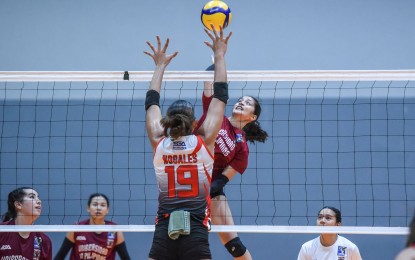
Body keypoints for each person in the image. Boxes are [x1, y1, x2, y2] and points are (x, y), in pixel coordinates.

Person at [144, 25, 231, 260]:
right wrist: (220, 55)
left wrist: (160, 65)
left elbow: (151, 102)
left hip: (164, 227)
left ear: (166, 123)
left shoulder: (158, 142)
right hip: (196, 230)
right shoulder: (204, 140)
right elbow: (220, 95)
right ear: (194, 123)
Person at [192, 65, 268, 260]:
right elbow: (208, 81)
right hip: (189, 181)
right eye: (241, 100)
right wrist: (217, 61)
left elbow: (222, 180)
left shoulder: (242, 147)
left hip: (212, 189)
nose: (242, 102)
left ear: (253, 117)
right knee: (185, 241)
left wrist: (205, 195)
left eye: (248, 103)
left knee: (234, 244)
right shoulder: (214, 114)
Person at [54, 193, 131, 260]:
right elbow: (60, 256)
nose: (98, 208)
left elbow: (126, 258)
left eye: (102, 205)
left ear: (107, 210)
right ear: (88, 208)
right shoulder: (77, 228)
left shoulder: (114, 230)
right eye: (95, 204)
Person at [0, 186, 52, 259]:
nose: (39, 201)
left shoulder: (44, 241)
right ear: (18, 205)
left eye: (38, 197)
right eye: (32, 197)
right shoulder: (2, 231)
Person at [297, 206, 362, 260]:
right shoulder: (307, 248)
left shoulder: (348, 247)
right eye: (320, 217)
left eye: (328, 218)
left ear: (338, 224)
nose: (322, 221)